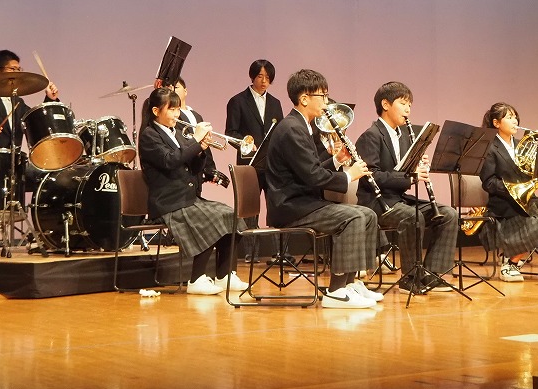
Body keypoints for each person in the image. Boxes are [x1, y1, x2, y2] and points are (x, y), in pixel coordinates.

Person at [264, 69, 387, 309]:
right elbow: (312, 176)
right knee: (352, 217)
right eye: (323, 96)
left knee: (368, 214)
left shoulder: (302, 126)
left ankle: (351, 283)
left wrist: (337, 160)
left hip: (303, 203)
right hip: (291, 207)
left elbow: (311, 168)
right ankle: (336, 291)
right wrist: (348, 176)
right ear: (304, 98)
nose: (327, 102)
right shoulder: (292, 128)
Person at [137, 86, 245, 295]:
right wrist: (195, 141)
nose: (177, 114)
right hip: (168, 201)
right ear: (156, 111)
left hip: (187, 197)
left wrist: (201, 150)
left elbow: (193, 168)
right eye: (171, 109)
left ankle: (224, 275)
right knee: (209, 220)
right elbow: (170, 161)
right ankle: (196, 279)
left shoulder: (177, 132)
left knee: (230, 215)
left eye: (178, 109)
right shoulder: (149, 136)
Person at [355, 81, 460, 294]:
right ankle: (410, 277)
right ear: (385, 104)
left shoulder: (403, 136)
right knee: (412, 217)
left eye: (410, 105)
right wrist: (410, 177)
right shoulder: (371, 136)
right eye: (403, 103)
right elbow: (371, 176)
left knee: (449, 214)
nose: (408, 109)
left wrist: (417, 166)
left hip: (397, 199)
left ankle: (430, 274)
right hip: (376, 202)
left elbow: (403, 170)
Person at [479, 102, 538, 282]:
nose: (515, 121)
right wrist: (513, 189)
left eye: (515, 117)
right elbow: (489, 182)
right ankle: (510, 265)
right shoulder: (489, 148)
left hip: (526, 200)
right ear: (496, 123)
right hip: (504, 205)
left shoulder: (521, 145)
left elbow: (531, 172)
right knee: (536, 222)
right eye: (509, 117)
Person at [225, 59, 284, 161]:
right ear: (252, 76)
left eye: (267, 77)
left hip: (271, 161)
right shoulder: (238, 101)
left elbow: (280, 132)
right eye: (260, 76)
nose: (264, 81)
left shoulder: (275, 103)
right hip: (248, 159)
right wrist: (246, 144)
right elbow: (231, 133)